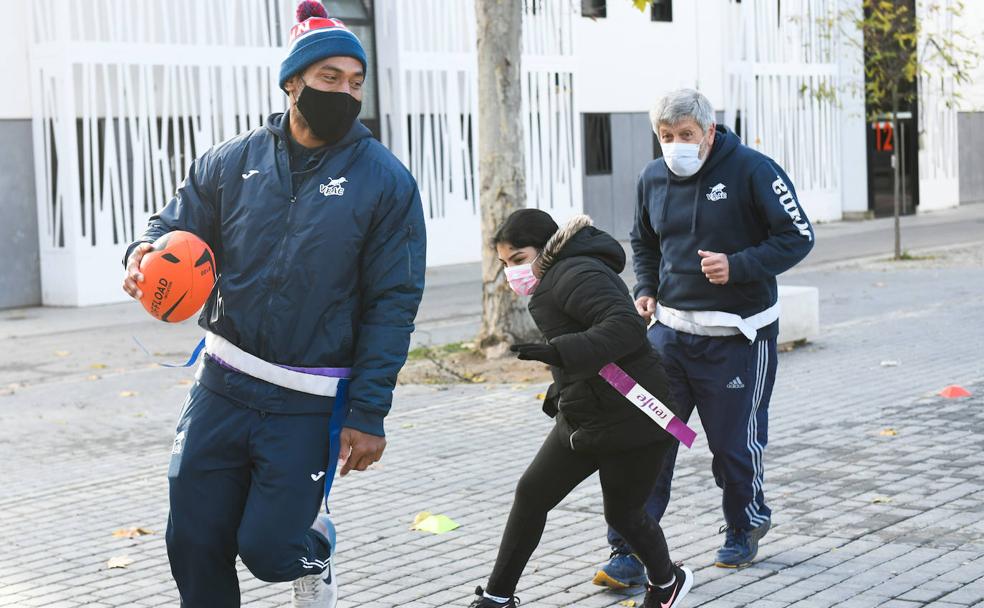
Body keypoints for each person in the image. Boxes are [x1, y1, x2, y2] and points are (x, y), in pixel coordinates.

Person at [120, 2, 426, 606]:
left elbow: (393, 302)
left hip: (305, 400)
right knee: (194, 542)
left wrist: (369, 412)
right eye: (329, 79)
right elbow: (173, 226)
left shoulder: (386, 181)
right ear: (293, 82)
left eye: (355, 82)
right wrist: (142, 252)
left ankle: (319, 552)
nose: (345, 92)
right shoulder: (231, 162)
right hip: (223, 383)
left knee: (269, 549)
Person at [594, 88, 814, 587]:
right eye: (666, 137)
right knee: (648, 440)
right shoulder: (652, 177)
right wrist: (645, 288)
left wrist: (738, 267)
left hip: (738, 339)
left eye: (686, 136)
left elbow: (798, 236)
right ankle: (629, 548)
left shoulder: (755, 171)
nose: (675, 146)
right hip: (669, 339)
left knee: (733, 446)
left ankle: (745, 522)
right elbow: (644, 241)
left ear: (709, 132)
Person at [469, 209, 694, 608]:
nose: (512, 273)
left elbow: (625, 326)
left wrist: (560, 351)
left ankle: (667, 581)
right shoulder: (557, 276)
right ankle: (497, 598)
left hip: (634, 415)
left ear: (546, 248)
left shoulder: (576, 272)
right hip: (584, 414)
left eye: (519, 259)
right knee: (532, 495)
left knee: (624, 515)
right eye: (505, 264)